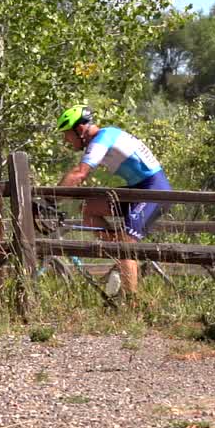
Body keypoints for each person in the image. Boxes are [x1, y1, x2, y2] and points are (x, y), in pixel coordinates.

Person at [55, 103, 171, 297]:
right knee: (90, 209)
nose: (66, 140)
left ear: (80, 129)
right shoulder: (102, 139)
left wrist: (50, 199)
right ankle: (123, 255)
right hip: (138, 191)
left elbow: (79, 174)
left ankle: (132, 304)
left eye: (67, 134)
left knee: (125, 245)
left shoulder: (104, 137)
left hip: (154, 191)